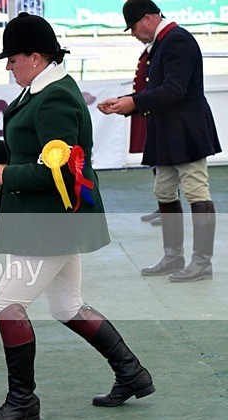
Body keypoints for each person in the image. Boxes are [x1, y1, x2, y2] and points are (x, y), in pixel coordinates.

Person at [0, 13, 154, 420]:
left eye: (12, 58)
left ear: (35, 56)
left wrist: (4, 174)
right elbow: (35, 149)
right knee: (67, 306)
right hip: (52, 221)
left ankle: (23, 402)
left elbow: (64, 170)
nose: (8, 65)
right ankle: (131, 373)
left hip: (52, 223)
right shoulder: (41, 91)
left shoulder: (55, 98)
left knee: (6, 304)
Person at [96, 0, 220, 283]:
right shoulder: (165, 42)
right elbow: (158, 89)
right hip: (168, 131)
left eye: (134, 26)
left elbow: (174, 89)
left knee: (196, 192)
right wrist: (127, 103)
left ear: (149, 18)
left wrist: (133, 102)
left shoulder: (176, 40)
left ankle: (202, 262)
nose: (133, 33)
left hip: (186, 131)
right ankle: (173, 256)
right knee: (164, 191)